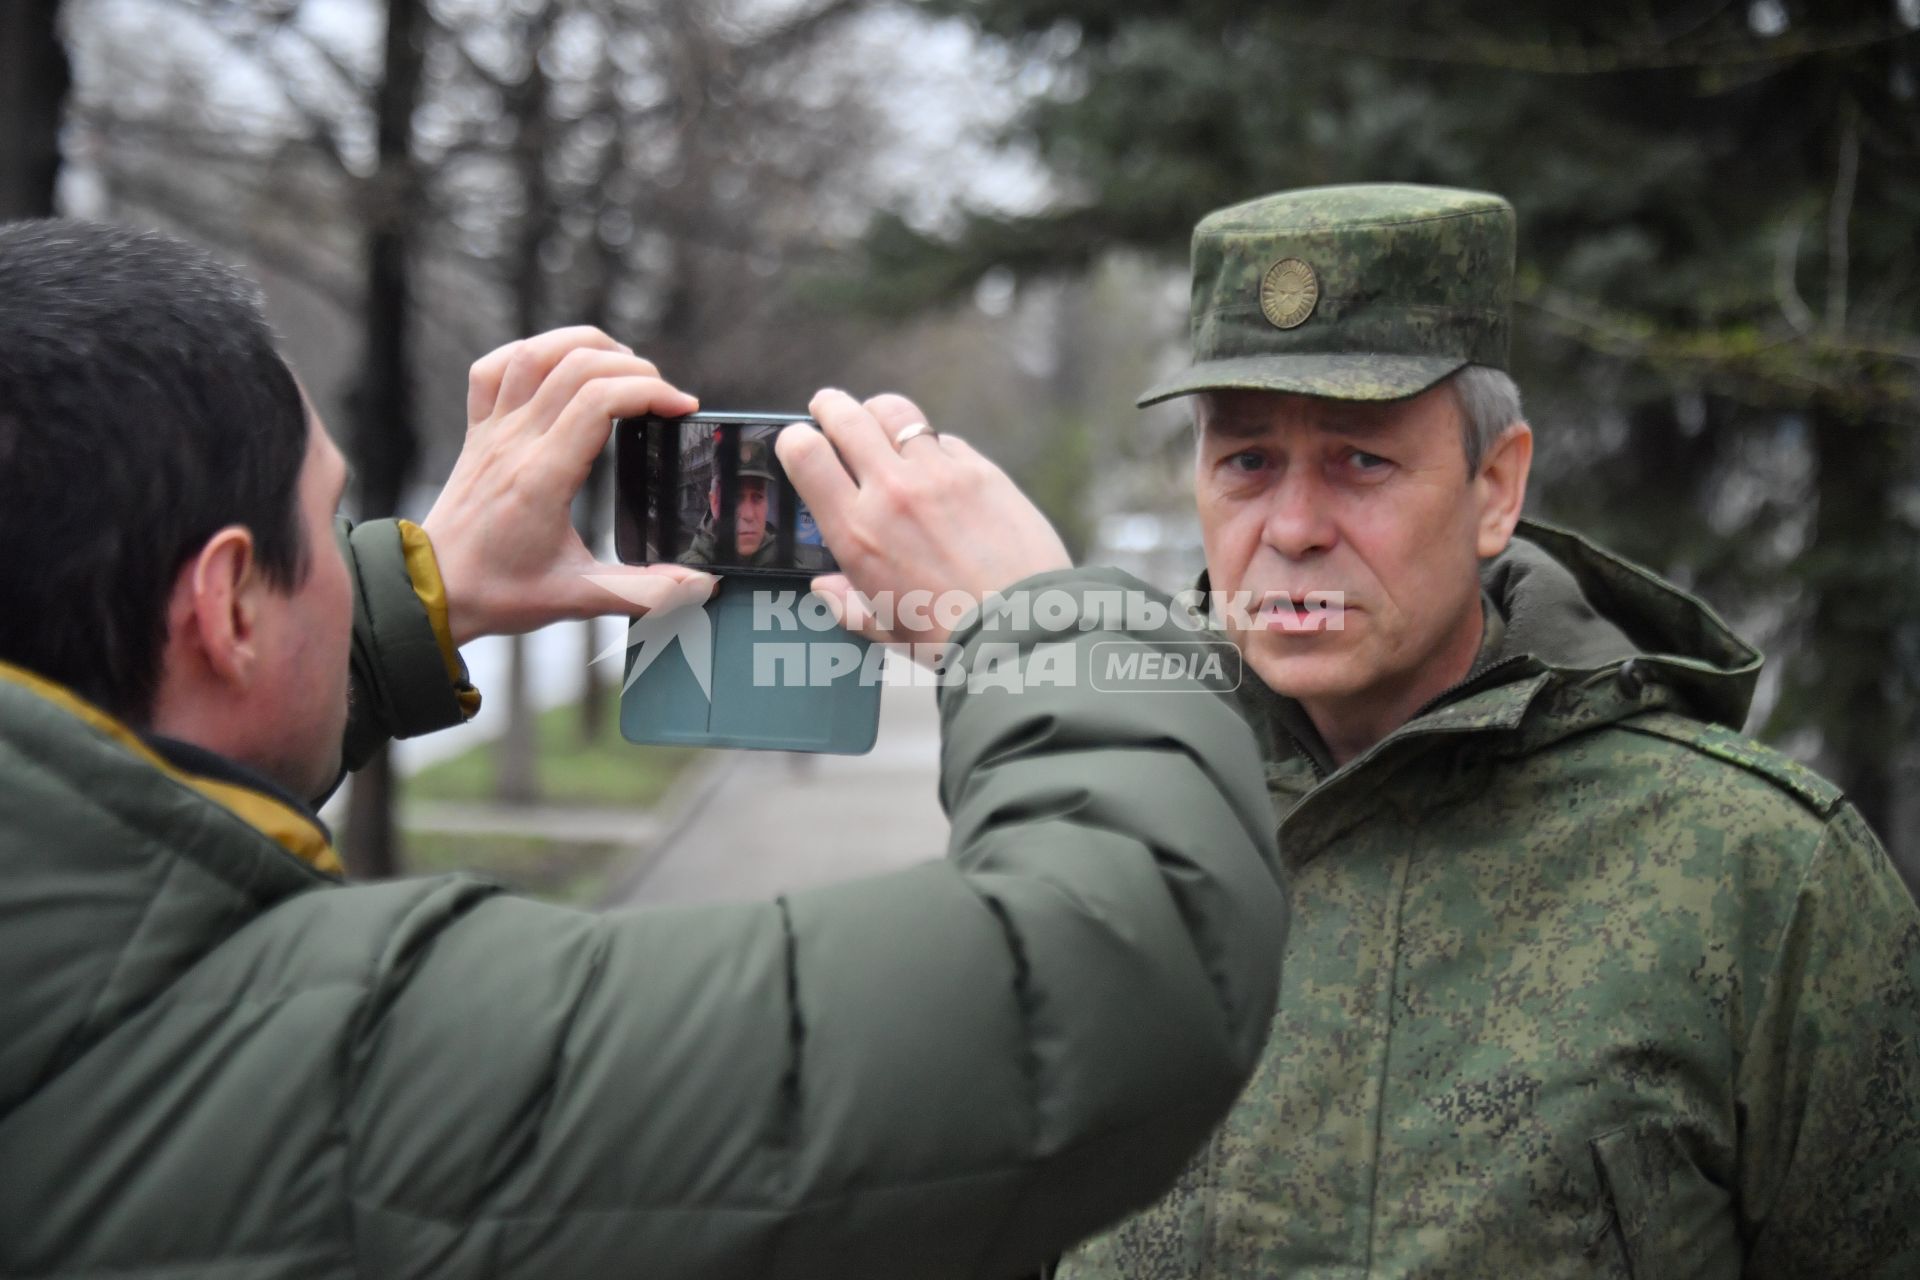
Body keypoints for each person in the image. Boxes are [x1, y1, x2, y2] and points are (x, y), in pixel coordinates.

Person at [0, 220, 1288, 1277]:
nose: (361, 554)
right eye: (337, 522)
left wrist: (417, 599)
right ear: (226, 603)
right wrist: (1037, 613)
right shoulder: (339, 1094)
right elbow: (1122, 964)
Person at [1062, 184, 1920, 1279]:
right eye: (1246, 462)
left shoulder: (1759, 875)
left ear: (1495, 486)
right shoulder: (1100, 825)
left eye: (1360, 460)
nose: (1291, 528)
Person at [680, 435, 833, 571]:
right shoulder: (684, 578)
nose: (748, 514)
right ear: (714, 503)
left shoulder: (791, 571)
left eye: (758, 497)